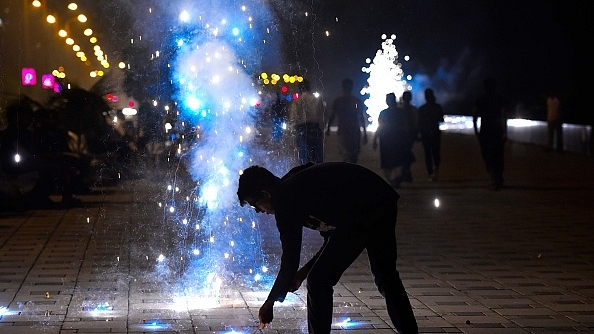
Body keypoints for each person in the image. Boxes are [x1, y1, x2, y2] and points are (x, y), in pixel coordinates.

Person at [237, 162, 418, 334]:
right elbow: (331, 237)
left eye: (255, 205)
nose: (259, 211)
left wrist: (270, 302)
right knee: (385, 275)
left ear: (265, 194)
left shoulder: (285, 200)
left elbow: (290, 259)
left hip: (368, 207)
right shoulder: (290, 189)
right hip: (379, 200)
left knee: (319, 280)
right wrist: (303, 273)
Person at [0, 99, 80, 207]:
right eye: (26, 116)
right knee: (53, 168)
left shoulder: (25, 133)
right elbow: (23, 152)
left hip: (22, 164)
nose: (29, 119)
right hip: (14, 167)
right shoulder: (12, 134)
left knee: (59, 166)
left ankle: (53, 197)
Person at [472, 77, 510, 190]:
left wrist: (476, 132)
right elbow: (504, 117)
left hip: (485, 131)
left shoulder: (480, 99)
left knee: (487, 155)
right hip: (497, 131)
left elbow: (474, 116)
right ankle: (498, 178)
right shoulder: (500, 99)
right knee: (498, 155)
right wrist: (505, 132)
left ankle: (495, 179)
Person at [372, 93, 417, 188]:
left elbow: (380, 126)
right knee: (399, 161)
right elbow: (405, 126)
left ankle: (393, 180)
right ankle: (396, 180)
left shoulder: (384, 113)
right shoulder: (400, 112)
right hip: (397, 139)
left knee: (388, 163)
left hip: (387, 139)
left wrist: (375, 139)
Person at [326, 78, 368, 163]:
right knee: (354, 156)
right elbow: (361, 117)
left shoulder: (338, 101)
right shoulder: (356, 101)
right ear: (352, 87)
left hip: (343, 131)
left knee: (346, 155)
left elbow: (333, 115)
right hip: (355, 131)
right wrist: (365, 133)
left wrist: (328, 128)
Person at [288, 79, 325, 164]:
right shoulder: (317, 100)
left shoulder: (297, 102)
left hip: (302, 129)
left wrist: (294, 130)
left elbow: (293, 118)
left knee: (304, 156)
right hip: (315, 127)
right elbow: (321, 115)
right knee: (318, 156)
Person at [417, 88, 445, 181]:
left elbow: (419, 123)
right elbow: (441, 119)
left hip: (425, 133)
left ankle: (430, 173)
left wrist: (418, 134)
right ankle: (435, 171)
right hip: (435, 132)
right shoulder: (437, 107)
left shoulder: (422, 109)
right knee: (436, 153)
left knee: (428, 154)